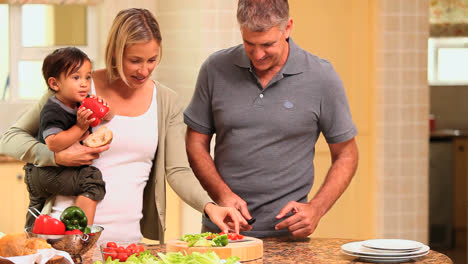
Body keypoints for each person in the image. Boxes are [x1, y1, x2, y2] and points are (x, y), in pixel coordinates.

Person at [0, 8, 248, 242]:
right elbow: (10, 138)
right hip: (65, 241)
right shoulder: (80, 87)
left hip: (126, 243)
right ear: (116, 52)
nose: (144, 70)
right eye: (134, 60)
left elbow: (178, 170)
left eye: (152, 59)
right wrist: (56, 156)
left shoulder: (165, 101)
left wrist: (210, 206)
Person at [184, 0, 359, 238]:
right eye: (249, 43)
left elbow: (347, 154)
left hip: (288, 239)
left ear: (288, 28)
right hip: (222, 234)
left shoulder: (322, 77)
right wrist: (221, 194)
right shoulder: (214, 69)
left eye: (267, 44)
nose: (258, 54)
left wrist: (317, 208)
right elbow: (196, 142)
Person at [23, 47, 111, 229]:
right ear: (55, 84)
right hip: (45, 171)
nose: (84, 83)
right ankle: (79, 238)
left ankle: (31, 242)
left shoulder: (78, 103)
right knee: (92, 181)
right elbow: (53, 143)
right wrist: (80, 127)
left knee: (36, 213)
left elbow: (107, 117)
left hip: (40, 173)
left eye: (87, 77)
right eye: (76, 77)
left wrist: (102, 108)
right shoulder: (53, 109)